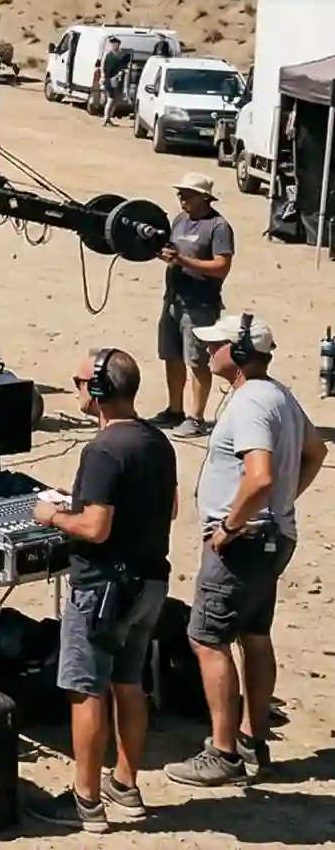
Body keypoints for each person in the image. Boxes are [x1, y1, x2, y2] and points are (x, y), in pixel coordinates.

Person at [166, 316, 325, 789]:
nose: (207, 350)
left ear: (237, 354)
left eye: (216, 344)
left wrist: (231, 525)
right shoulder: (279, 394)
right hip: (272, 538)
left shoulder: (250, 403)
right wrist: (283, 503)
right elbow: (315, 451)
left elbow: (259, 476)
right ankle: (254, 742)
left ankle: (223, 753)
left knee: (207, 639)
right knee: (254, 636)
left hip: (244, 543)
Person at [30, 349, 174, 832]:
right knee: (129, 684)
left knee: (86, 689)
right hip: (148, 584)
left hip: (103, 590)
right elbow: (169, 507)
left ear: (98, 389)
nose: (75, 389)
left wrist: (53, 516)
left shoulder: (104, 450)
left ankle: (86, 801)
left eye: (78, 382)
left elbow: (95, 528)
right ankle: (125, 785)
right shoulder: (157, 440)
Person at [153, 173, 235, 438]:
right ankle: (174, 409)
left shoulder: (218, 227)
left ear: (204, 197)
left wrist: (183, 261)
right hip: (173, 301)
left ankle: (196, 418)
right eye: (180, 193)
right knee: (172, 356)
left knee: (197, 361)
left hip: (200, 305)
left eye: (187, 194)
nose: (182, 198)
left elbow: (221, 267)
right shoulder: (180, 220)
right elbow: (171, 249)